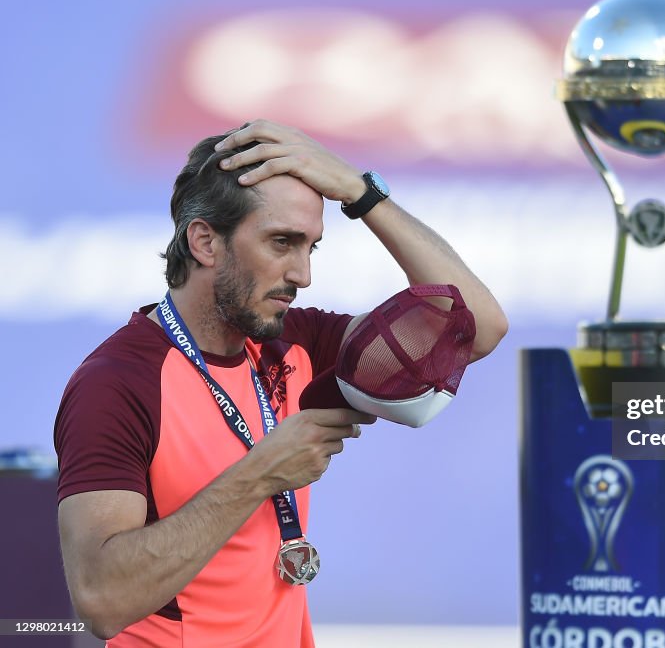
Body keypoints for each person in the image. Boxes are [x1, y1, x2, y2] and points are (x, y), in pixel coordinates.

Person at [53, 119, 508, 645]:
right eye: (282, 243)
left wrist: (361, 193)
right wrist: (262, 472)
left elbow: (477, 326)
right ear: (204, 241)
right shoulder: (116, 383)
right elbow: (103, 601)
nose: (302, 273)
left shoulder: (298, 342)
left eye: (311, 247)